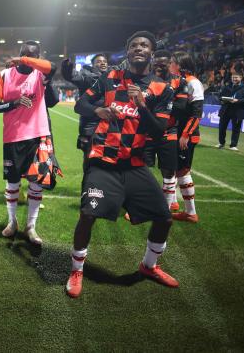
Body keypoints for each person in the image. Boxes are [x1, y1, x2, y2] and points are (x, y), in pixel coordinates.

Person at [66, 31, 178, 298]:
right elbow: (80, 104)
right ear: (127, 52)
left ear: (151, 53)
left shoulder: (162, 89)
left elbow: (159, 131)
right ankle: (76, 269)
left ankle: (149, 266)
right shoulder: (109, 78)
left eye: (144, 45)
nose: (139, 48)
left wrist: (141, 105)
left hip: (135, 163)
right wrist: (98, 110)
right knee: (88, 214)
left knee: (164, 218)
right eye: (134, 45)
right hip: (103, 161)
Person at [0, 41, 60, 245]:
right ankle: (12, 223)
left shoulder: (40, 74)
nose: (29, 59)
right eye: (25, 55)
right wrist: (14, 103)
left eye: (33, 56)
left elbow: (52, 67)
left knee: (36, 184)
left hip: (39, 136)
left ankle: (31, 227)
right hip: (13, 137)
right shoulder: (5, 75)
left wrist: (27, 61)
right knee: (12, 183)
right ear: (19, 54)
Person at [141, 50, 188, 212]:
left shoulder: (180, 82)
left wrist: (158, 104)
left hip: (169, 132)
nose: (159, 67)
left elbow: (181, 108)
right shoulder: (146, 80)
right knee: (142, 170)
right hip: (146, 132)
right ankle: (141, 206)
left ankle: (165, 208)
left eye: (163, 64)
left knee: (168, 171)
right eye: (156, 64)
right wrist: (165, 103)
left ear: (170, 64)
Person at [62, 54, 108, 189]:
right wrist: (66, 68)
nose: (103, 63)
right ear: (93, 64)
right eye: (99, 61)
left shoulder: (114, 76)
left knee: (109, 159)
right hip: (90, 124)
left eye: (105, 61)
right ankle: (87, 189)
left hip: (110, 124)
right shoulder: (86, 76)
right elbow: (70, 76)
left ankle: (106, 189)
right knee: (89, 158)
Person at [171, 51, 204, 223]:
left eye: (172, 62)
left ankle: (191, 212)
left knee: (182, 171)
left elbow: (197, 113)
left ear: (179, 64)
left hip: (186, 135)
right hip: (177, 133)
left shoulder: (193, 82)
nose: (170, 64)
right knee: (174, 169)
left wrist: (185, 134)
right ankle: (174, 203)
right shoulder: (178, 81)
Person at [217, 72, 244, 151]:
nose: (234, 79)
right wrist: (222, 100)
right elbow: (220, 96)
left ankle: (233, 145)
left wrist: (237, 101)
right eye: (233, 77)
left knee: (236, 129)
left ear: (241, 78)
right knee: (222, 127)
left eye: (236, 77)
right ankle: (221, 143)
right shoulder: (227, 86)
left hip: (237, 111)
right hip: (226, 110)